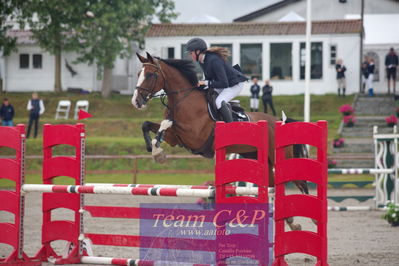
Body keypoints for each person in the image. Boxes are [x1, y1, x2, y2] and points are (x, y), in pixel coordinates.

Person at [185, 38, 247, 123]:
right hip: (224, 83)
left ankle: (231, 127)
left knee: (219, 102)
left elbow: (224, 83)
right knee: (206, 95)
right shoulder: (202, 61)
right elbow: (209, 78)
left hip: (235, 83)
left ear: (198, 51)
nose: (190, 56)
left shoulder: (214, 60)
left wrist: (206, 83)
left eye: (191, 53)